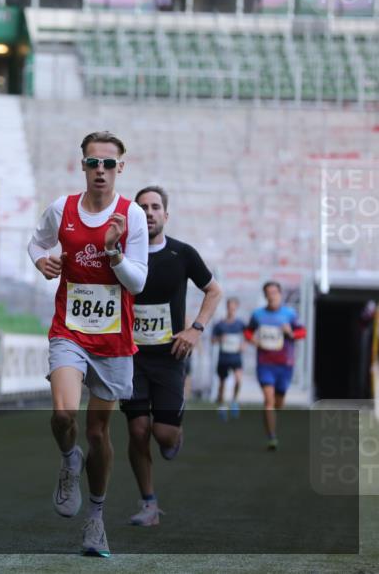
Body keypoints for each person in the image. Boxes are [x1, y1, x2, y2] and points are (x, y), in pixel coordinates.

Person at [27, 131, 148, 558]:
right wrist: (41, 260)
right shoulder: (62, 209)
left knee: (99, 432)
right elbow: (37, 242)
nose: (101, 170)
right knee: (63, 414)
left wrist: (113, 252)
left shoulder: (130, 214)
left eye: (109, 164)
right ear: (83, 166)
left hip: (114, 341)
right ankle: (67, 458)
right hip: (69, 331)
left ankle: (95, 521)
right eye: (93, 163)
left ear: (121, 168)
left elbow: (139, 280)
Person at [119, 186, 221, 527]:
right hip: (130, 358)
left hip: (169, 357)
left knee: (163, 435)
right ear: (134, 214)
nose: (148, 212)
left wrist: (196, 329)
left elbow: (214, 290)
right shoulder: (120, 255)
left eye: (155, 207)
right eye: (142, 207)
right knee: (137, 430)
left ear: (166, 214)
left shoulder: (182, 254)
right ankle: (149, 503)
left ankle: (175, 432)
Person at [245, 281, 305, 450]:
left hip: (285, 364)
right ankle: (272, 437)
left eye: (274, 292)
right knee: (268, 399)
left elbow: (302, 332)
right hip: (265, 364)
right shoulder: (258, 315)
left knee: (279, 403)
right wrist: (253, 340)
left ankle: (274, 420)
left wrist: (290, 333)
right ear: (265, 296)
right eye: (268, 293)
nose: (272, 296)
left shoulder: (290, 314)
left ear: (280, 294)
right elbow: (248, 332)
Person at [212, 297, 247, 421]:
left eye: (233, 307)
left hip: (236, 357)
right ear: (226, 307)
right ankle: (222, 406)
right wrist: (220, 339)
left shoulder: (240, 324)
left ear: (236, 308)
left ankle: (234, 401)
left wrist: (244, 345)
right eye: (229, 307)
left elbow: (248, 336)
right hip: (224, 358)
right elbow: (213, 340)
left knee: (238, 380)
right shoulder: (219, 324)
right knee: (222, 383)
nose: (231, 309)